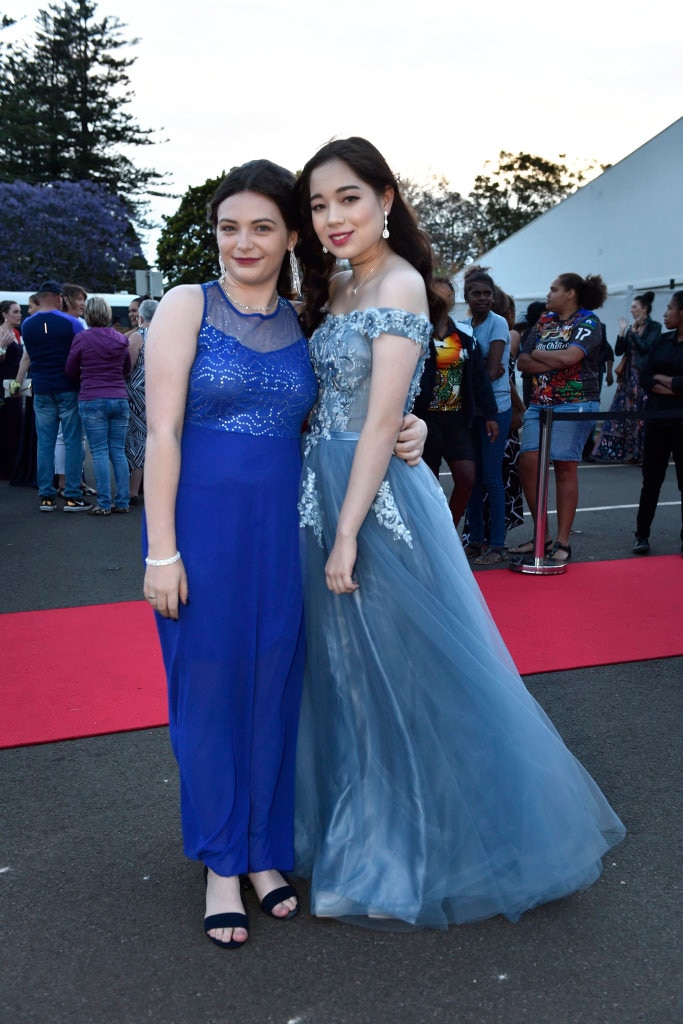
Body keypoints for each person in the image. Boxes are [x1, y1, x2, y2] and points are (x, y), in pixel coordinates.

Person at [293, 137, 624, 930]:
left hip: (371, 502)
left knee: (413, 669)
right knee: (348, 672)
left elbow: (378, 419)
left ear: (384, 197)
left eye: (346, 198)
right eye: (317, 204)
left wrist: (346, 532)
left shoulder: (401, 281)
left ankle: (420, 843)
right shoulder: (337, 283)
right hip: (322, 484)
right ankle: (360, 824)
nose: (332, 217)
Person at [141, 160, 425, 951]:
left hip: (283, 524)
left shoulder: (306, 316)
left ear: (290, 236)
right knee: (208, 692)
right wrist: (162, 550)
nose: (243, 242)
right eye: (228, 226)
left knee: (274, 686)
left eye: (262, 226)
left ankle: (266, 853)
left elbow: (356, 399)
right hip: (198, 526)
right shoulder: (186, 305)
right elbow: (161, 433)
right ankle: (221, 864)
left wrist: (415, 427)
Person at [512, 273, 606, 563]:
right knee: (528, 462)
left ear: (571, 293)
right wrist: (551, 358)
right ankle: (542, 534)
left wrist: (541, 354)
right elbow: (523, 362)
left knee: (565, 467)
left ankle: (563, 541)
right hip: (539, 404)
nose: (549, 294)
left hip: (575, 404)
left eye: (554, 289)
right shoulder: (543, 322)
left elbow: (571, 358)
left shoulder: (588, 322)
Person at [414, 278, 498, 530]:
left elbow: (478, 379)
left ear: (452, 301)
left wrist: (491, 413)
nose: (442, 302)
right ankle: (428, 534)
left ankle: (447, 532)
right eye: (436, 297)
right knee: (427, 484)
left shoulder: (464, 337)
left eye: (447, 297)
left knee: (467, 478)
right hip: (423, 421)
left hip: (456, 421)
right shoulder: (416, 333)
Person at [11, 281, 91, 512]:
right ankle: (72, 496)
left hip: (42, 389)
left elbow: (27, 357)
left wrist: (17, 383)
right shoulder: (72, 323)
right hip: (68, 387)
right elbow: (83, 353)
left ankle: (46, 495)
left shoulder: (28, 325)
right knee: (72, 442)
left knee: (45, 443)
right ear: (59, 297)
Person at [462, 267, 512, 564]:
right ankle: (475, 539)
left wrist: (475, 367)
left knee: (491, 477)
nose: (483, 298)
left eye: (487, 293)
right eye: (476, 293)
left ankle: (497, 544)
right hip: (472, 411)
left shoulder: (499, 324)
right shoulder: (465, 326)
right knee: (472, 478)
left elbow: (493, 371)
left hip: (496, 410)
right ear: (467, 297)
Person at [65, 296, 131, 515]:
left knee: (100, 452)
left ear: (88, 314)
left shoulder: (82, 338)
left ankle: (103, 503)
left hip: (92, 398)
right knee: (118, 452)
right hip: (119, 398)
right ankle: (122, 501)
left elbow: (70, 370)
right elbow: (126, 369)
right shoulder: (121, 339)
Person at [632, 290, 683, 555]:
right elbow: (646, 378)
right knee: (651, 480)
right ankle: (641, 534)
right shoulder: (662, 341)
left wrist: (667, 381)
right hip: (657, 419)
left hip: (681, 422)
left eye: (670, 308)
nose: (665, 313)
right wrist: (672, 385)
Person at [591, 292, 661, 464]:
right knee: (621, 413)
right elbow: (619, 351)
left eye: (635, 307)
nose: (631, 310)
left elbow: (646, 349)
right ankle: (620, 452)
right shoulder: (632, 328)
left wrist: (635, 332)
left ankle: (640, 453)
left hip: (642, 377)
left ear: (644, 309)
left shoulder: (654, 327)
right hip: (628, 378)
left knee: (640, 415)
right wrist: (622, 333)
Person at [125, 298, 158, 505]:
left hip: (138, 394)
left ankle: (133, 491)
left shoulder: (138, 337)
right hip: (160, 392)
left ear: (141, 316)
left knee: (136, 440)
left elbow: (127, 367)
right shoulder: (167, 337)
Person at [0, 299, 24, 479]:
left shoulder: (15, 332)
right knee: (6, 423)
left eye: (20, 311)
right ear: (4, 314)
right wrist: (1, 347)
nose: (19, 314)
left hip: (15, 382)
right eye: (15, 312)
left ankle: (14, 466)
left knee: (15, 422)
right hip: (3, 384)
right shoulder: (2, 332)